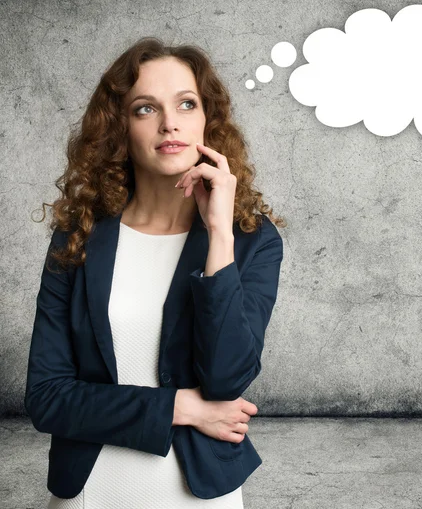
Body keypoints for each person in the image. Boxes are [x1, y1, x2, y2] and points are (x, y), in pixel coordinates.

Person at [24, 37, 286, 508]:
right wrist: (178, 408)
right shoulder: (78, 236)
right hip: (89, 490)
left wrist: (219, 237)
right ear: (120, 128)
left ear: (208, 119)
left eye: (186, 104)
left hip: (201, 494)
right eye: (145, 108)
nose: (170, 123)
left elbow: (227, 381)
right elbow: (46, 397)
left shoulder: (251, 240)